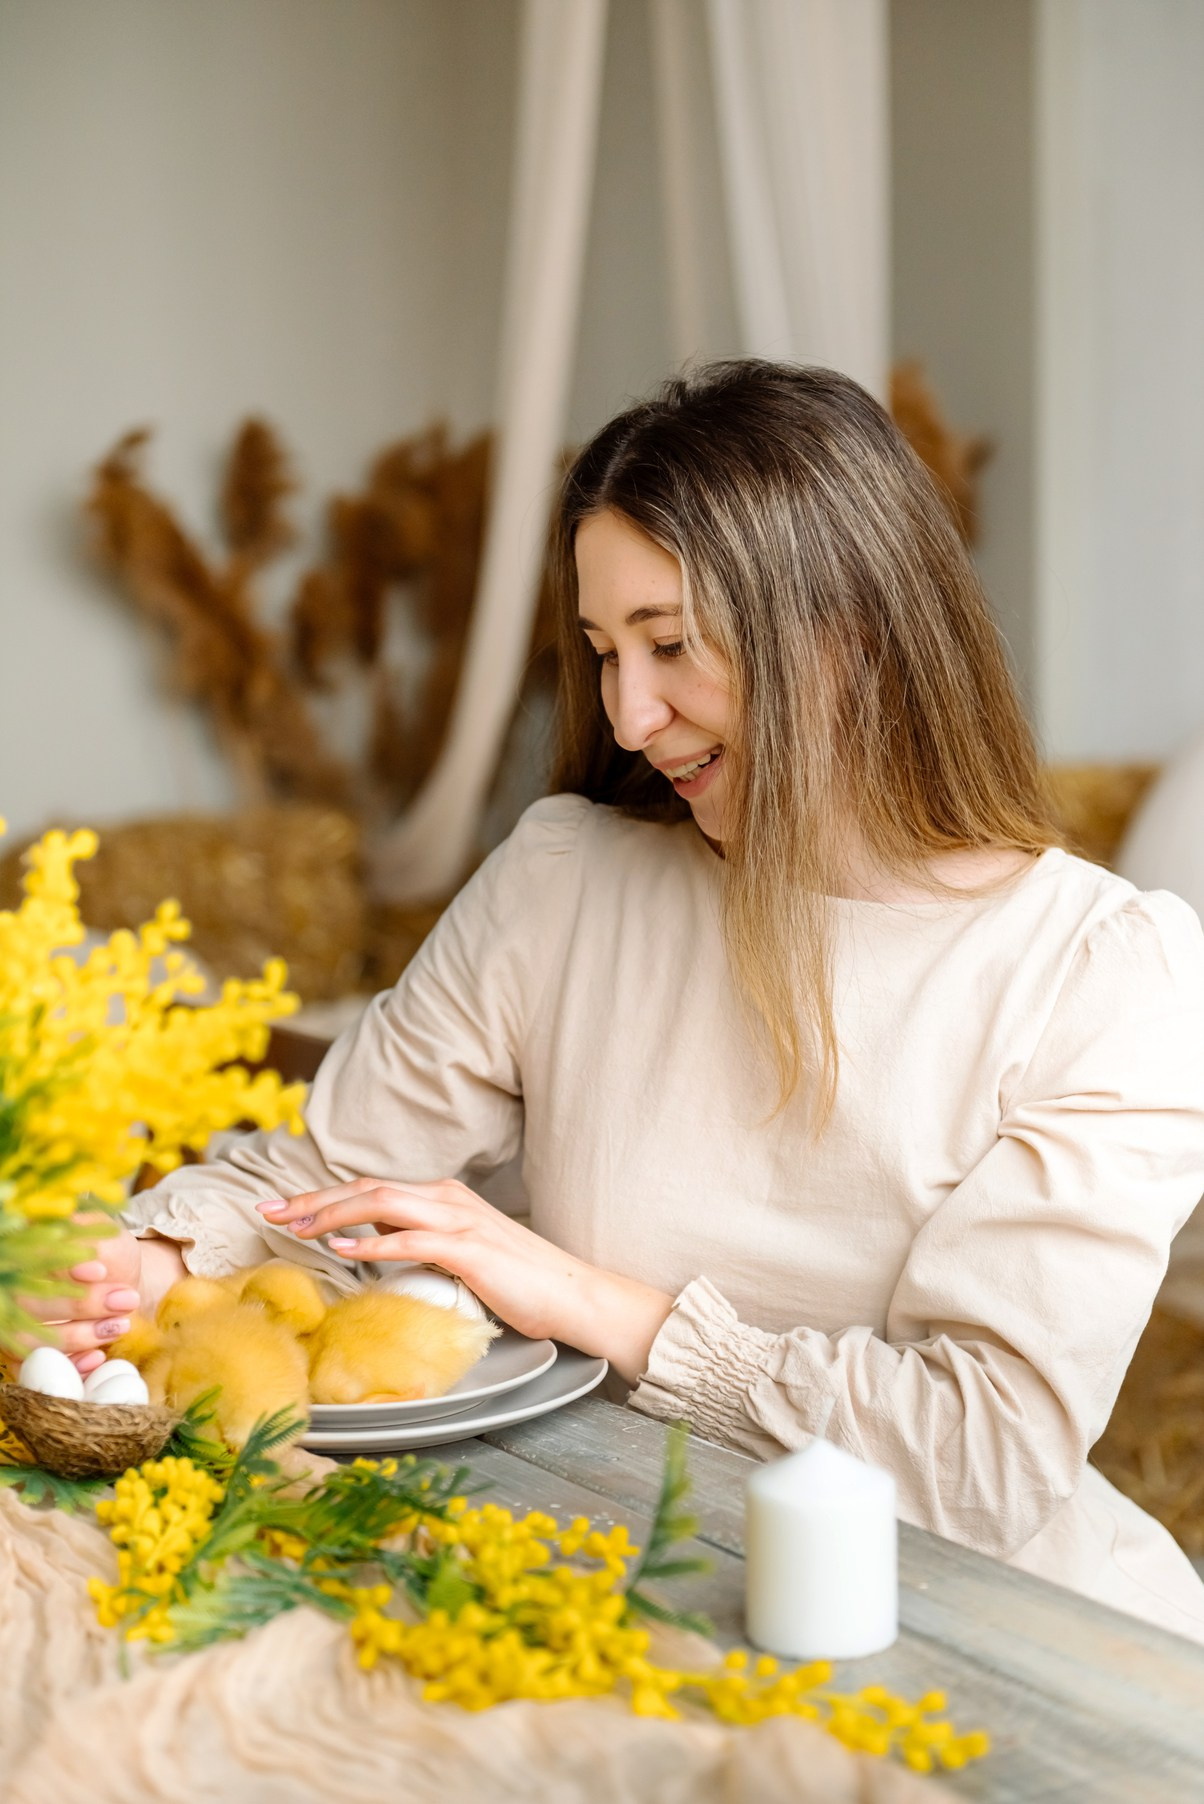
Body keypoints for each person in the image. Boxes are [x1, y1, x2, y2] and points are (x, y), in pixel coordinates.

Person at [41, 362, 1204, 1640]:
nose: (629, 713)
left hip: (968, 1621)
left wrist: (590, 1303)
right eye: (601, 651)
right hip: (605, 1568)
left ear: (851, 632)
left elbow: (978, 1462)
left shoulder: (1103, 971)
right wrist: (148, 1257)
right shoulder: (565, 879)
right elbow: (332, 1172)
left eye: (670, 645)